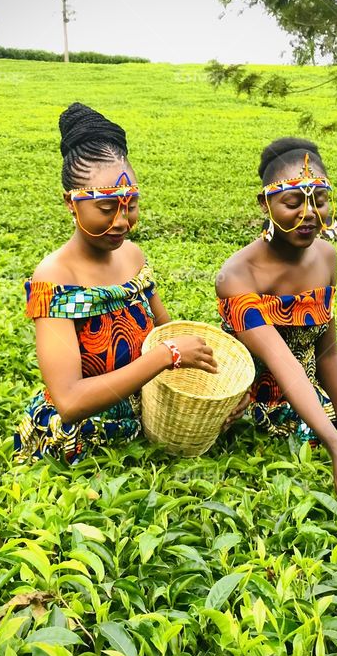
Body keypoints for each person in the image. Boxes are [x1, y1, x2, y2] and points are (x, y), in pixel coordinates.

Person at [15, 102, 226, 463]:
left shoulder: (133, 257)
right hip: (79, 443)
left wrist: (222, 396)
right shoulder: (55, 278)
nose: (121, 222)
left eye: (129, 206)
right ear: (71, 202)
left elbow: (168, 332)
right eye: (106, 208)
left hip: (145, 422)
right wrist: (167, 356)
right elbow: (69, 401)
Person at [216, 137, 337, 519]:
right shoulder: (237, 274)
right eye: (293, 203)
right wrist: (336, 444)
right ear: (265, 203)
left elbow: (327, 353)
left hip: (310, 410)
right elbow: (279, 359)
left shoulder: (326, 256)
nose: (309, 213)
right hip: (247, 414)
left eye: (319, 200)